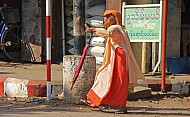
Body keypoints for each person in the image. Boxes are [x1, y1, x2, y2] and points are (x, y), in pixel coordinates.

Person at [82, 10, 144, 114]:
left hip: (119, 57)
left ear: (112, 19)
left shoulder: (115, 28)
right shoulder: (121, 28)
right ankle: (95, 100)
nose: (104, 20)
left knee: (118, 81)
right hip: (116, 56)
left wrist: (92, 29)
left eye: (106, 18)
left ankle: (119, 105)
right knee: (104, 77)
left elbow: (108, 33)